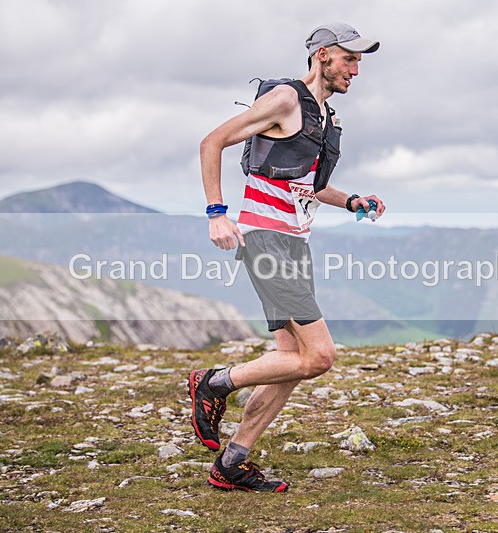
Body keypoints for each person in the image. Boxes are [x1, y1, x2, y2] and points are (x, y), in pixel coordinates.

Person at [188, 22, 386, 493]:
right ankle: (213, 383)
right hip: (267, 241)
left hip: (295, 242)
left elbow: (310, 188)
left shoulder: (324, 117)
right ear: (321, 56)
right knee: (320, 357)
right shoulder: (285, 101)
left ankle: (232, 461)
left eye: (359, 62)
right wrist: (217, 214)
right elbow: (210, 142)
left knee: (292, 359)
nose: (356, 70)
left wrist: (353, 201)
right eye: (349, 59)